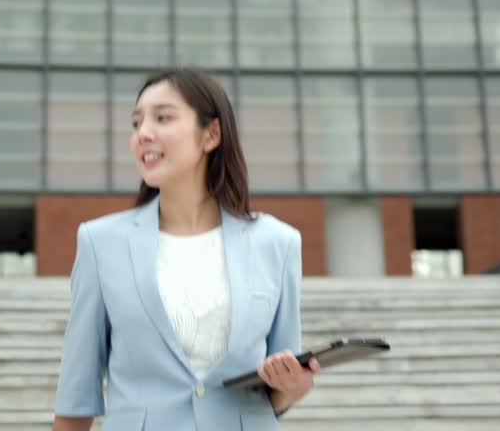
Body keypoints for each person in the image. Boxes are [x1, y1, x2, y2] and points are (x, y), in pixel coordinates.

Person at [52, 67, 320, 430]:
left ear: (211, 135)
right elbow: (76, 397)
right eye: (136, 123)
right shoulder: (101, 244)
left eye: (162, 118)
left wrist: (294, 387)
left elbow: (277, 384)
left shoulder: (278, 243)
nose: (143, 133)